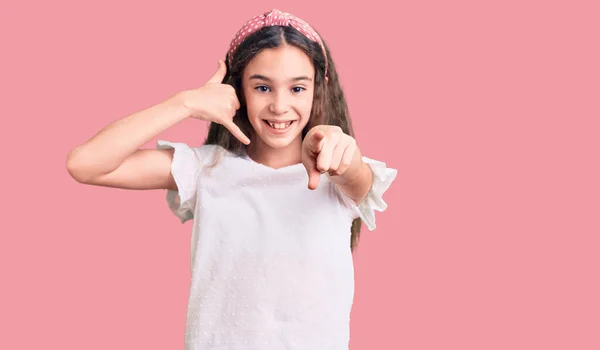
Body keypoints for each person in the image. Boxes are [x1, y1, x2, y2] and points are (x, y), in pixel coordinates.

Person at [66, 8, 397, 350]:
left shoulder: (338, 174)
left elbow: (357, 177)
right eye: (263, 87)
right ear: (237, 90)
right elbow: (85, 164)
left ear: (319, 88)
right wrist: (186, 103)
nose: (280, 106)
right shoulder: (205, 170)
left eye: (297, 88)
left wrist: (343, 153)